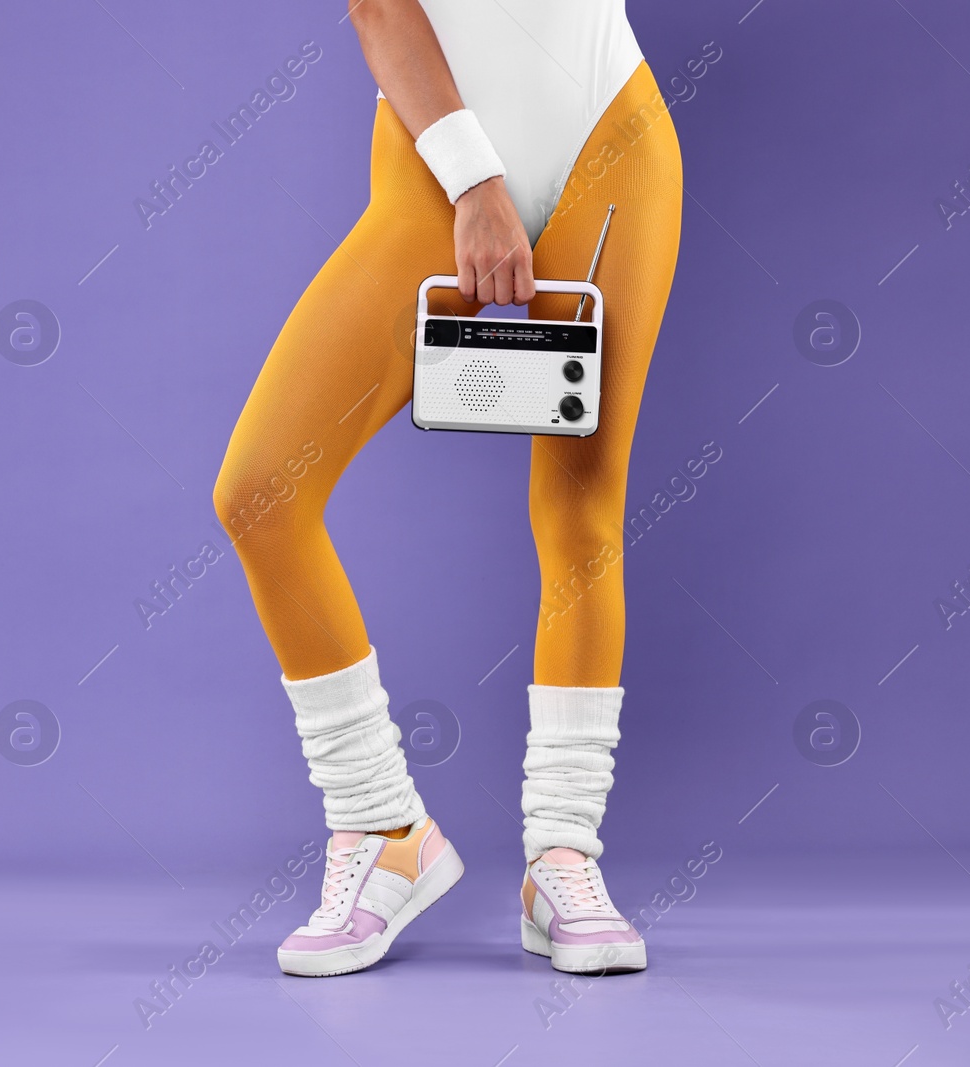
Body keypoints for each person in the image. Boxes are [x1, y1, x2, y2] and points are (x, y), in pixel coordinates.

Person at [211, 0, 682, 977]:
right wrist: (475, 182)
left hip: (613, 138)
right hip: (441, 161)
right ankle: (382, 824)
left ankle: (561, 855)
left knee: (581, 508)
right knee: (261, 491)